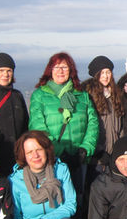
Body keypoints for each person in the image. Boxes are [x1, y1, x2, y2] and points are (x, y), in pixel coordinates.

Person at [28, 52, 98, 200]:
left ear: (71, 71)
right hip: (53, 159)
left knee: (78, 197)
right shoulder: (39, 95)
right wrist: (58, 151)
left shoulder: (82, 95)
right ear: (50, 70)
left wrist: (85, 149)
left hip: (80, 158)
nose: (60, 71)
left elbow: (93, 123)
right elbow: (38, 127)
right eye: (56, 67)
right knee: (56, 197)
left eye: (65, 67)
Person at [82, 55, 124, 178]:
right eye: (102, 73)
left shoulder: (115, 94)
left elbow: (121, 125)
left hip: (115, 154)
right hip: (97, 157)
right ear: (95, 75)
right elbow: (87, 127)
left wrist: (120, 148)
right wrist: (98, 151)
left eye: (108, 72)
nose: (105, 76)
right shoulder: (88, 95)